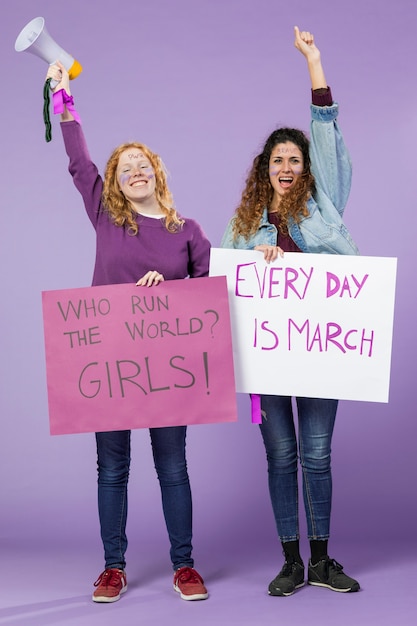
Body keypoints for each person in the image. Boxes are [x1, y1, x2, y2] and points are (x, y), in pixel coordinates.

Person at [45, 61, 210, 604]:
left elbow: (211, 302)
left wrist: (173, 289)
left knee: (172, 467)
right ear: (115, 184)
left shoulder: (188, 231)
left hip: (166, 371)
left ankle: (184, 567)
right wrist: (63, 98)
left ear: (156, 174)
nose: (134, 171)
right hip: (109, 364)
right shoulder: (105, 217)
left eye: (142, 164)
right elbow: (78, 162)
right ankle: (112, 568)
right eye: (124, 168)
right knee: (112, 468)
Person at [221, 27, 360, 596]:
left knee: (317, 454)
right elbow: (222, 283)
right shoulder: (243, 225)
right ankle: (290, 561)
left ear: (305, 169)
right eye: (277, 158)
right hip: (270, 358)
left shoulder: (323, 202)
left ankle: (324, 559)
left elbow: (325, 131)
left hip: (320, 348)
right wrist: (251, 258)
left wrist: (315, 62)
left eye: (294, 159)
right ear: (265, 168)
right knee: (281, 455)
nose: (287, 165)